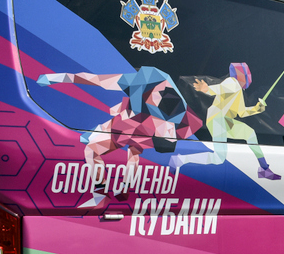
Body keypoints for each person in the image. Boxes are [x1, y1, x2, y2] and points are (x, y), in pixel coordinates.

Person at [37, 66, 202, 206]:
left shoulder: (159, 91)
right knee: (126, 149)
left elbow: (94, 80)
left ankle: (105, 194)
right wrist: (58, 78)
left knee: (98, 149)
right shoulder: (139, 84)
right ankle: (117, 190)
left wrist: (58, 78)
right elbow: (94, 80)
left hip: (151, 124)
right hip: (145, 122)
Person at [169, 63, 280, 180]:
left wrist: (257, 109)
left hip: (225, 121)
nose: (248, 76)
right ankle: (180, 159)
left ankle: (264, 169)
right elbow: (220, 89)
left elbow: (241, 112)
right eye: (246, 73)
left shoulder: (238, 89)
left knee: (250, 134)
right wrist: (207, 89)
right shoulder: (232, 82)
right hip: (217, 120)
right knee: (218, 158)